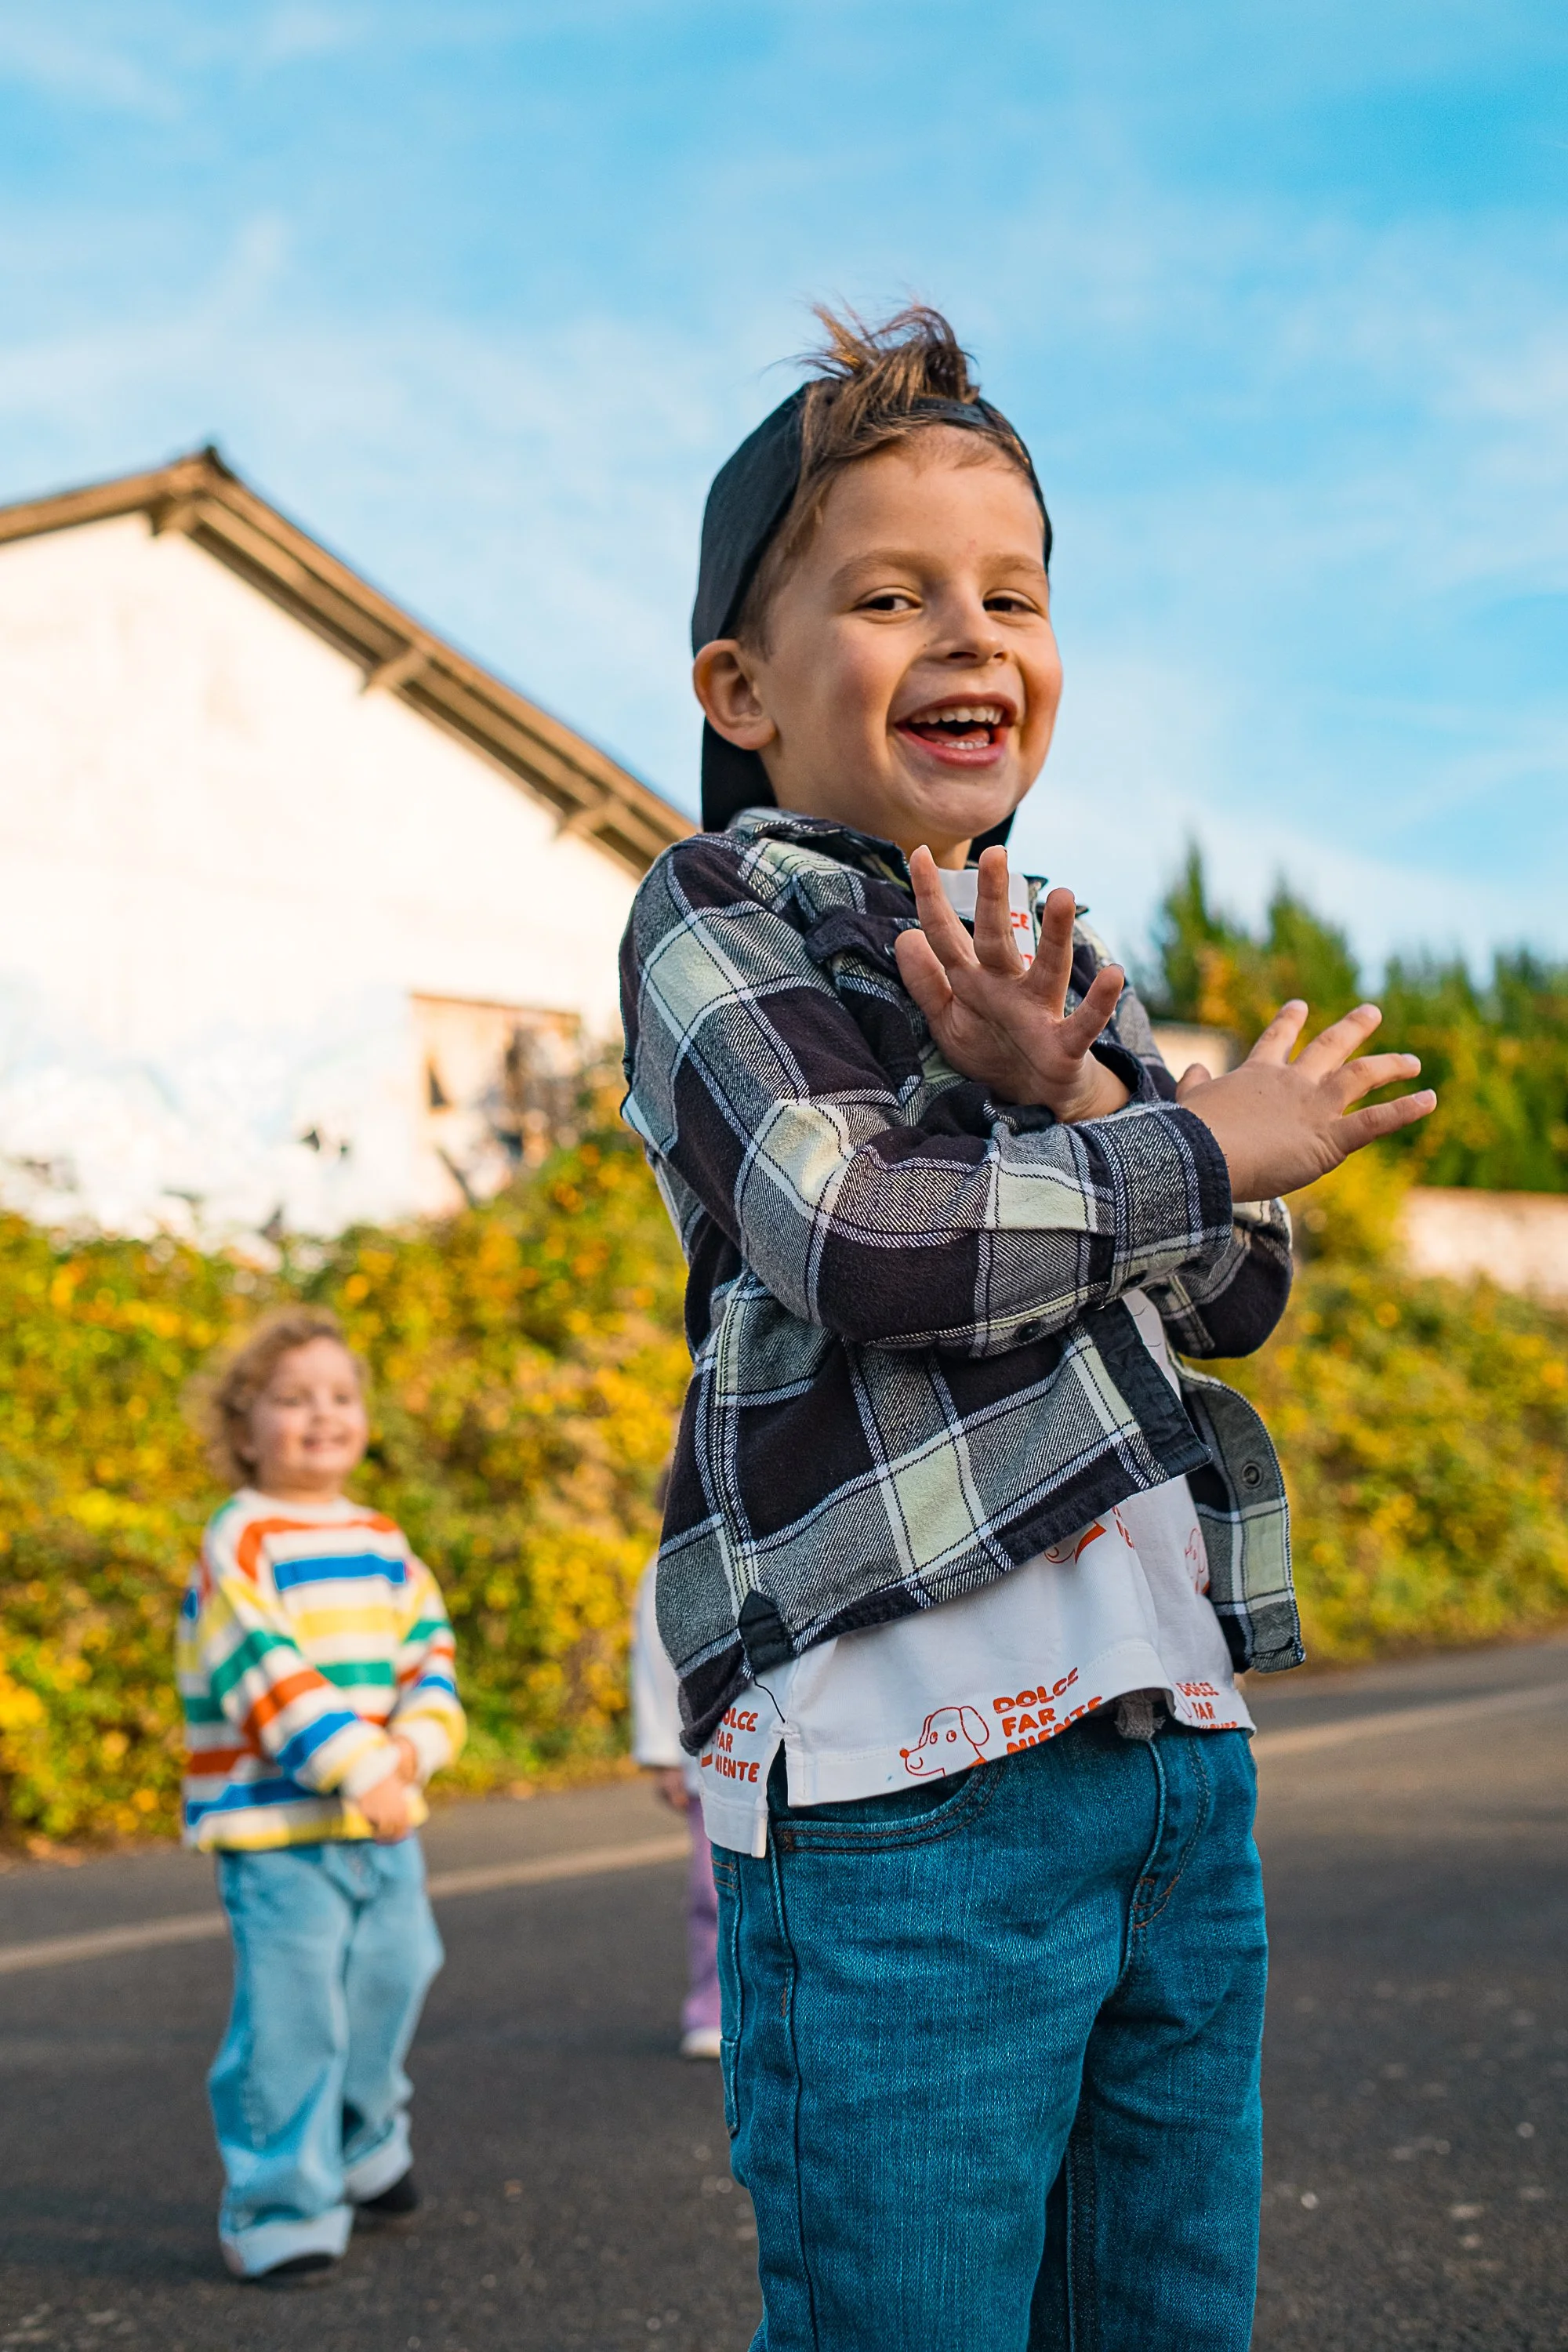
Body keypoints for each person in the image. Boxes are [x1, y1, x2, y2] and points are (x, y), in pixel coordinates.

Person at [619, 304, 1435, 2350]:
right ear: (744, 683)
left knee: (1165, 2317)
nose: (969, 633)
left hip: (1169, 1776)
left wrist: (1090, 1094)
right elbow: (858, 1234)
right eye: (889, 595)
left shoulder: (1063, 950)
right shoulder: (719, 912)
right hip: (904, 1805)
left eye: (1012, 593)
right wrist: (1200, 1142)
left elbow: (1236, 1290)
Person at [178, 1307, 465, 2288]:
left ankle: (362, 2137)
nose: (322, 1415)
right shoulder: (240, 1539)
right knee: (295, 2013)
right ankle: (279, 2205)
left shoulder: (383, 1538)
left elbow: (430, 1654)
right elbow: (267, 1672)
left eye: (340, 1396)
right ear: (243, 1424)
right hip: (279, 1829)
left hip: (385, 1813)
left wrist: (411, 1756)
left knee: (395, 1972)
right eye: (292, 1400)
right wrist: (361, 1768)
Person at [630, 1551, 723, 2058]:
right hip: (708, 1758)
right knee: (713, 1888)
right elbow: (654, 1661)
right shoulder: (669, 1564)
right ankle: (713, 2006)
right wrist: (665, 1753)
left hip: (789, 1753)